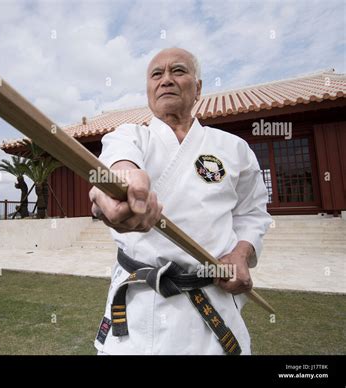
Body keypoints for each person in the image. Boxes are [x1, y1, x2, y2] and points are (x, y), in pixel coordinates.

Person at [89, 48, 271, 355]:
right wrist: (121, 187)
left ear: (198, 87)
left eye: (178, 71)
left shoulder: (233, 148)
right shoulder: (128, 136)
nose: (166, 80)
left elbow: (252, 214)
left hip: (210, 306)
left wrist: (241, 254)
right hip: (137, 308)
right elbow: (116, 168)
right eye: (156, 74)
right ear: (148, 89)